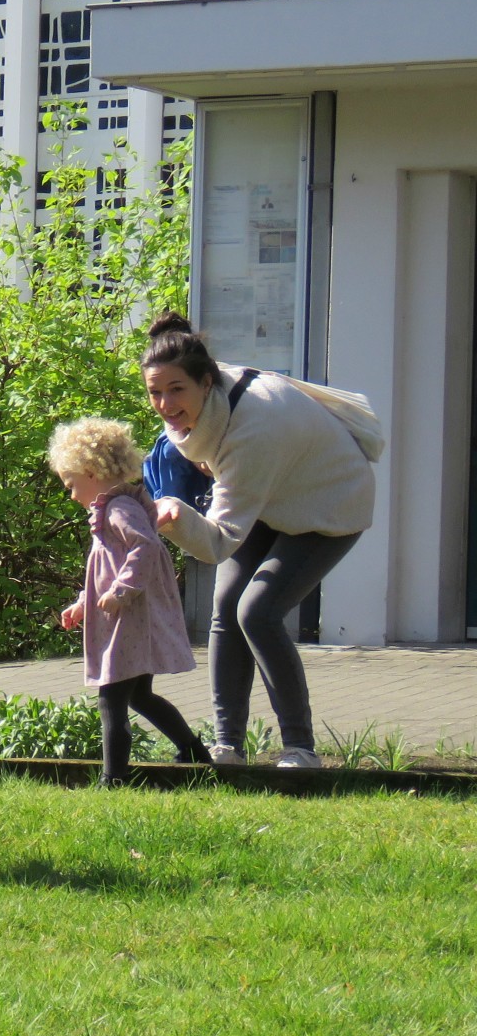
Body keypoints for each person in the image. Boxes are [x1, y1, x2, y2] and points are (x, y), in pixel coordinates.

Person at [143, 312, 376, 769]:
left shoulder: (252, 431)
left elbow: (217, 544)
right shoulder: (208, 388)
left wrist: (175, 517)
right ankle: (226, 746)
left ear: (206, 383)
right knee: (225, 606)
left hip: (329, 505)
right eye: (155, 392)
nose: (166, 404)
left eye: (176, 391)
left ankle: (300, 749)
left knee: (258, 612)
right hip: (272, 496)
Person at [48, 418, 208, 784]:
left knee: (111, 696)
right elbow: (106, 568)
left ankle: (114, 777)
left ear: (91, 471)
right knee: (139, 696)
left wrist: (122, 591)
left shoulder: (120, 510)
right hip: (128, 619)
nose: (71, 495)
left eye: (71, 485)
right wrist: (84, 601)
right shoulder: (112, 510)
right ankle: (194, 753)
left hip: (130, 621)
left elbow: (145, 547)